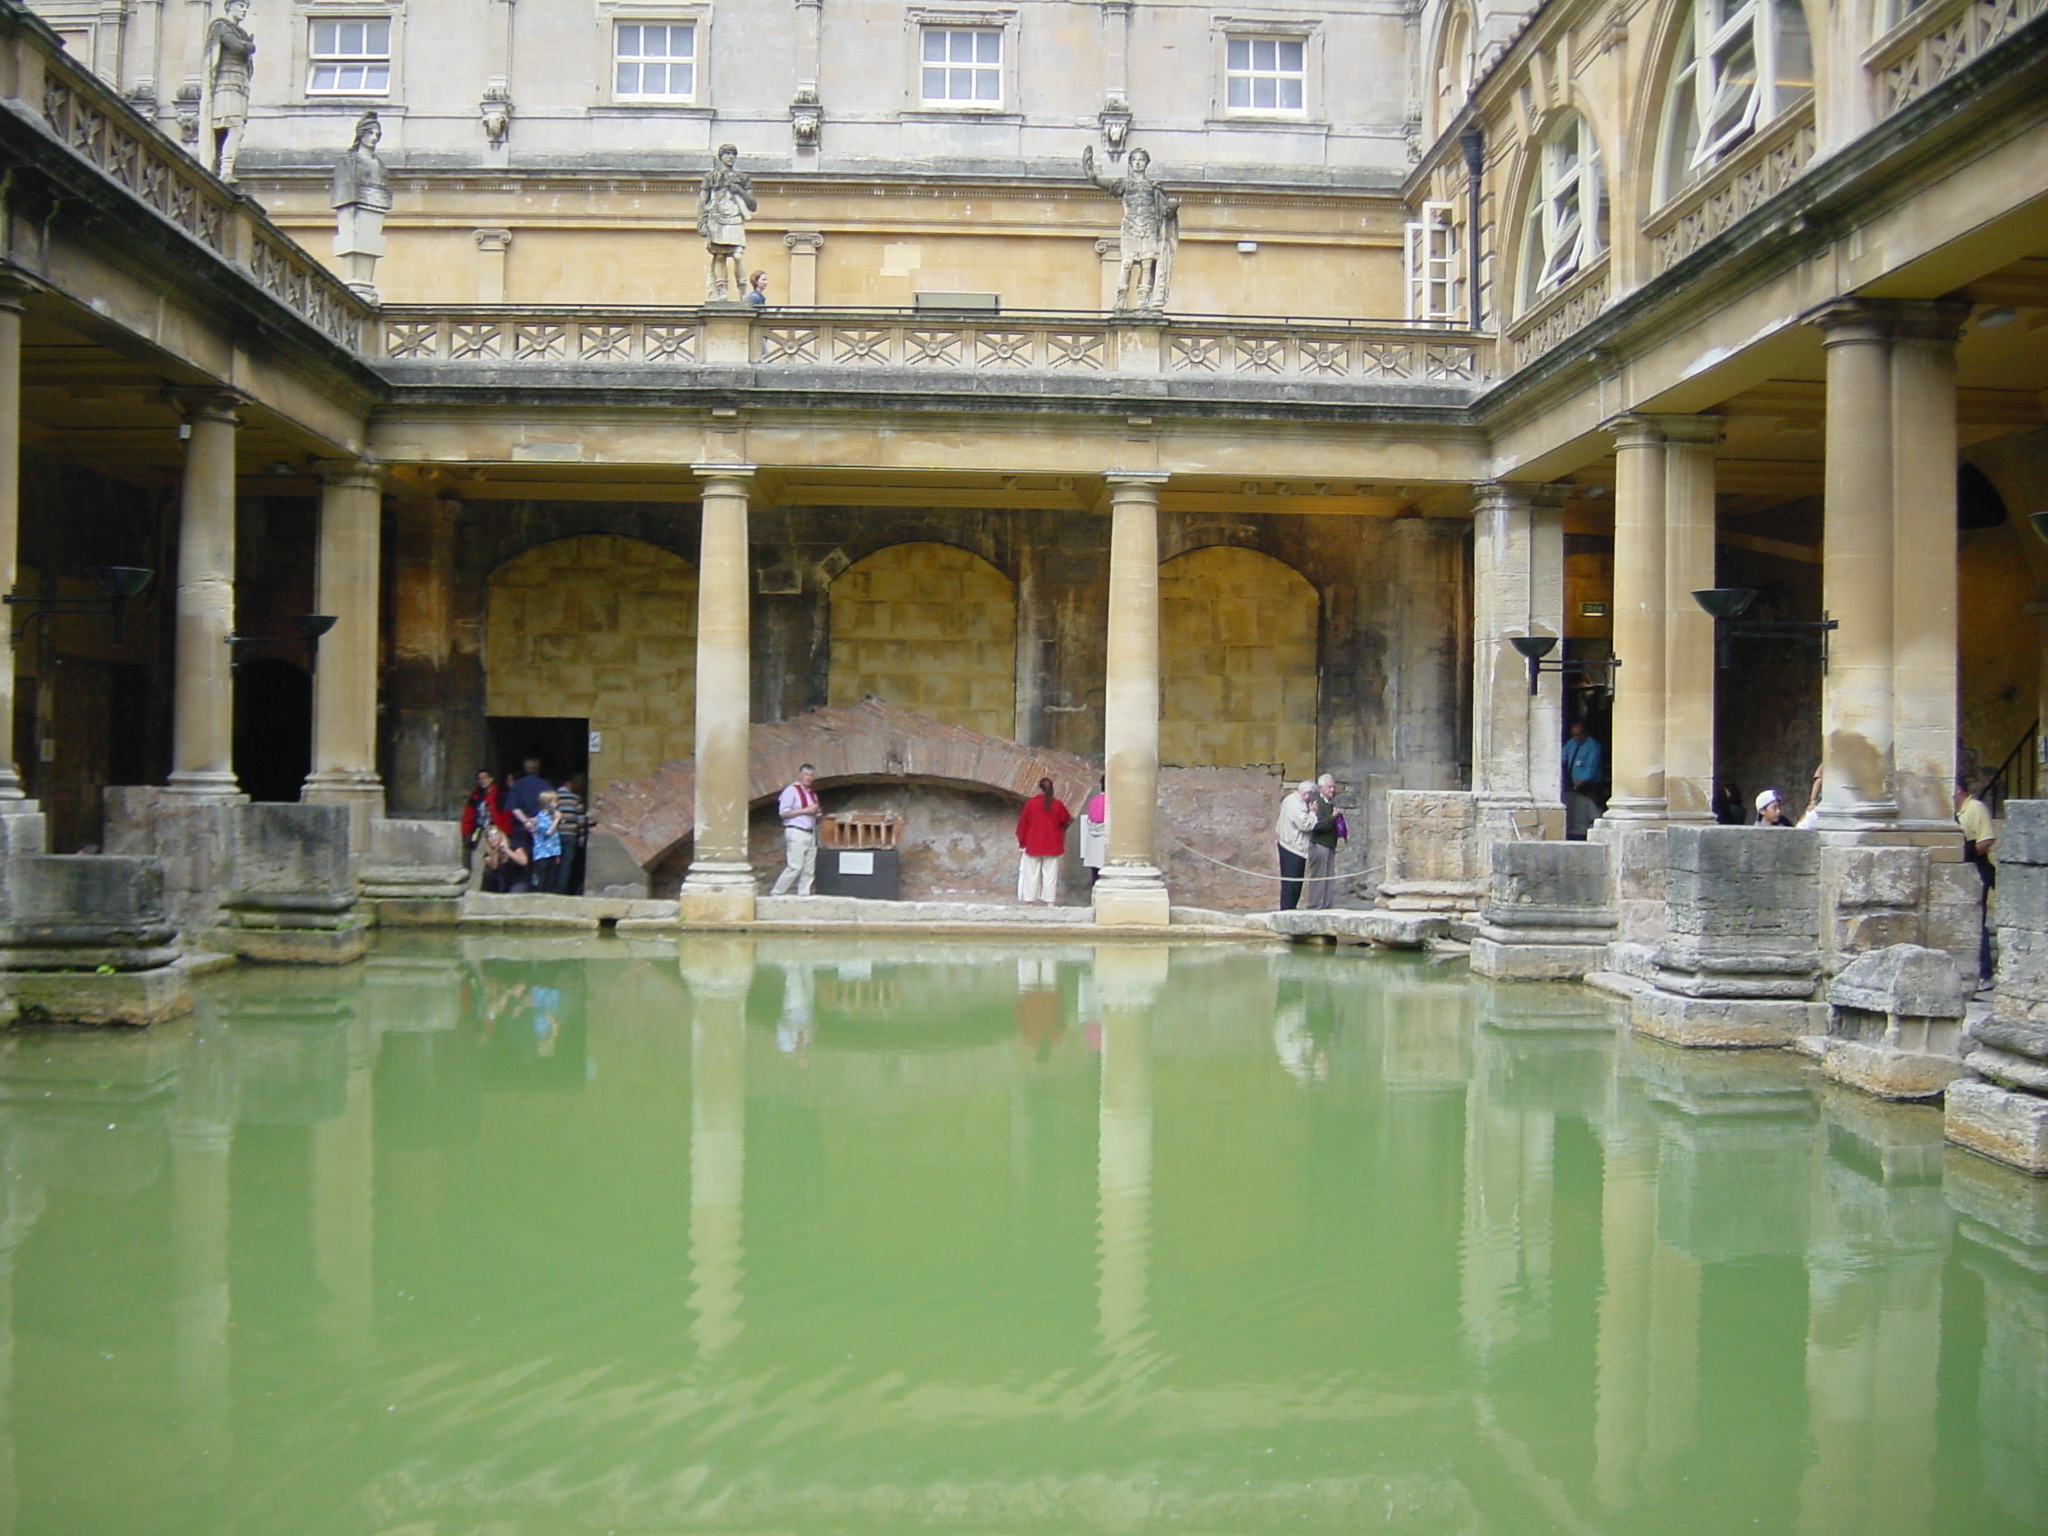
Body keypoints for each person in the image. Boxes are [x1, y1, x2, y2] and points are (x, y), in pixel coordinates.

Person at [1081, 145, 1179, 310]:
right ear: (1130, 163)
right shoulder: (1124, 184)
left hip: (1149, 226)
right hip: (1131, 227)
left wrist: (1173, 207)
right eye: (1135, 160)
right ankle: (1121, 300)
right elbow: (1094, 179)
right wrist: (1087, 164)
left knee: (1147, 264)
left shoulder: (1154, 187)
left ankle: (1143, 301)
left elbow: (1165, 213)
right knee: (1126, 263)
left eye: (1141, 160)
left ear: (1146, 163)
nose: (1138, 163)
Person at [697, 142, 757, 302]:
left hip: (735, 218)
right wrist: (701, 223)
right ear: (721, 156)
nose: (730, 157)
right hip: (716, 218)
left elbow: (752, 205)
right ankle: (721, 291)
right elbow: (702, 202)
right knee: (719, 255)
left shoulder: (743, 178)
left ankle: (743, 291)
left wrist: (740, 191)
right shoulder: (711, 177)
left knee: (738, 255)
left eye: (733, 154)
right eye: (727, 154)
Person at [204, 0, 255, 181]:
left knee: (233, 128)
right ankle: (225, 170)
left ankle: (223, 169)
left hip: (239, 83)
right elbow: (237, 46)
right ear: (229, 6)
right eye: (241, 5)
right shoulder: (221, 26)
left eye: (246, 6)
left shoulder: (239, 32)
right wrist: (249, 45)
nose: (244, 10)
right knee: (234, 127)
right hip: (226, 83)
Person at [1957, 774, 1998, 985]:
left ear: (1957, 789)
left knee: (1977, 919)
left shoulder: (1975, 808)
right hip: (1960, 870)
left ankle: (1984, 973)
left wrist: (1969, 854)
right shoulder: (1955, 812)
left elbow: (1987, 839)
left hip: (1976, 868)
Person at [1015, 778, 1072, 905]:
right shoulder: (1057, 804)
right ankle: (1049, 901)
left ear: (1039, 788)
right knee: (1050, 875)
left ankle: (1030, 900)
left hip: (1033, 845)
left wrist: (1022, 843)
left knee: (1031, 874)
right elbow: (1066, 819)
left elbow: (1022, 825)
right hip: (1053, 845)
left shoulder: (1031, 804)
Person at [771, 763, 820, 896]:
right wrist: (806, 810)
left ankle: (804, 894)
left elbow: (813, 811)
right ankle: (777, 892)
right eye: (806, 774)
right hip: (796, 830)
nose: (808, 778)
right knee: (795, 866)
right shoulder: (791, 790)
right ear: (799, 775)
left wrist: (816, 814)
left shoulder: (812, 794)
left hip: (810, 831)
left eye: (811, 775)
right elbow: (783, 813)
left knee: (809, 869)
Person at [1301, 774, 1345, 911]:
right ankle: (1315, 906)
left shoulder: (1329, 803)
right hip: (1319, 844)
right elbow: (1318, 825)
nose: (1332, 790)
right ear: (1321, 788)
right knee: (1318, 877)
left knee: (1328, 877)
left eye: (1333, 787)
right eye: (1329, 787)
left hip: (1329, 844)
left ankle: (1326, 905)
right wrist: (1333, 817)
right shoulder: (1316, 803)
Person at [1274, 780, 1317, 912]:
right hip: (1292, 846)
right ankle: (1287, 910)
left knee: (1295, 882)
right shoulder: (1294, 803)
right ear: (1307, 794)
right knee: (1291, 883)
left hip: (1294, 846)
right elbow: (1304, 824)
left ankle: (1290, 908)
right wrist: (1313, 813)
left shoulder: (1293, 801)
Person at [1561, 721, 1604, 839]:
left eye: (1579, 735)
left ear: (1585, 732)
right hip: (1573, 783)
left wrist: (1579, 783)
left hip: (1589, 785)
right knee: (1573, 809)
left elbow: (1591, 768)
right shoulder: (1571, 743)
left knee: (1590, 811)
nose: (1577, 738)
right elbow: (1561, 757)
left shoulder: (1593, 746)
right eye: (1574, 735)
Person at [460, 769, 510, 861]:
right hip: (480, 831)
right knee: (477, 860)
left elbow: (506, 815)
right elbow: (468, 814)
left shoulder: (500, 795)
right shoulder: (475, 796)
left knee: (501, 861)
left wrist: (505, 833)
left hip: (496, 830)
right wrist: (466, 832)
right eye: (480, 779)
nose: (482, 781)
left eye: (485, 778)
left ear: (491, 779)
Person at [505, 757, 549, 851]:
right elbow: (549, 807)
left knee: (521, 859)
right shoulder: (546, 785)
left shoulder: (516, 785)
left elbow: (514, 808)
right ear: (538, 769)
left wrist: (526, 821)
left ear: (524, 769)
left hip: (520, 827)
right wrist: (535, 820)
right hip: (540, 826)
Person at [554, 775, 587, 894]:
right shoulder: (575, 798)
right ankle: (561, 890)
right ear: (569, 784)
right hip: (570, 834)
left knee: (554, 862)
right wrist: (582, 836)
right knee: (566, 864)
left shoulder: (554, 798)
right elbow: (581, 819)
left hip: (555, 835)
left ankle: (550, 888)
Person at [479, 823, 531, 893]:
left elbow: (524, 861)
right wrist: (495, 850)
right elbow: (494, 866)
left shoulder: (514, 844)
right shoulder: (487, 854)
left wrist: (507, 850)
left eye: (495, 834)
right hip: (502, 883)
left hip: (518, 880)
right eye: (490, 836)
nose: (493, 838)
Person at [528, 790, 562, 892]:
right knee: (540, 882)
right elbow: (548, 832)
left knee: (551, 881)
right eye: (554, 802)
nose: (556, 804)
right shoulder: (540, 817)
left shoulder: (550, 817)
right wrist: (557, 820)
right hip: (542, 854)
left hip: (552, 853)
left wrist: (557, 854)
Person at [1080, 781, 1108, 883]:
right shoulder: (1112, 802)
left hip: (1093, 841)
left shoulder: (1093, 800)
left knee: (1095, 875)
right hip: (1106, 840)